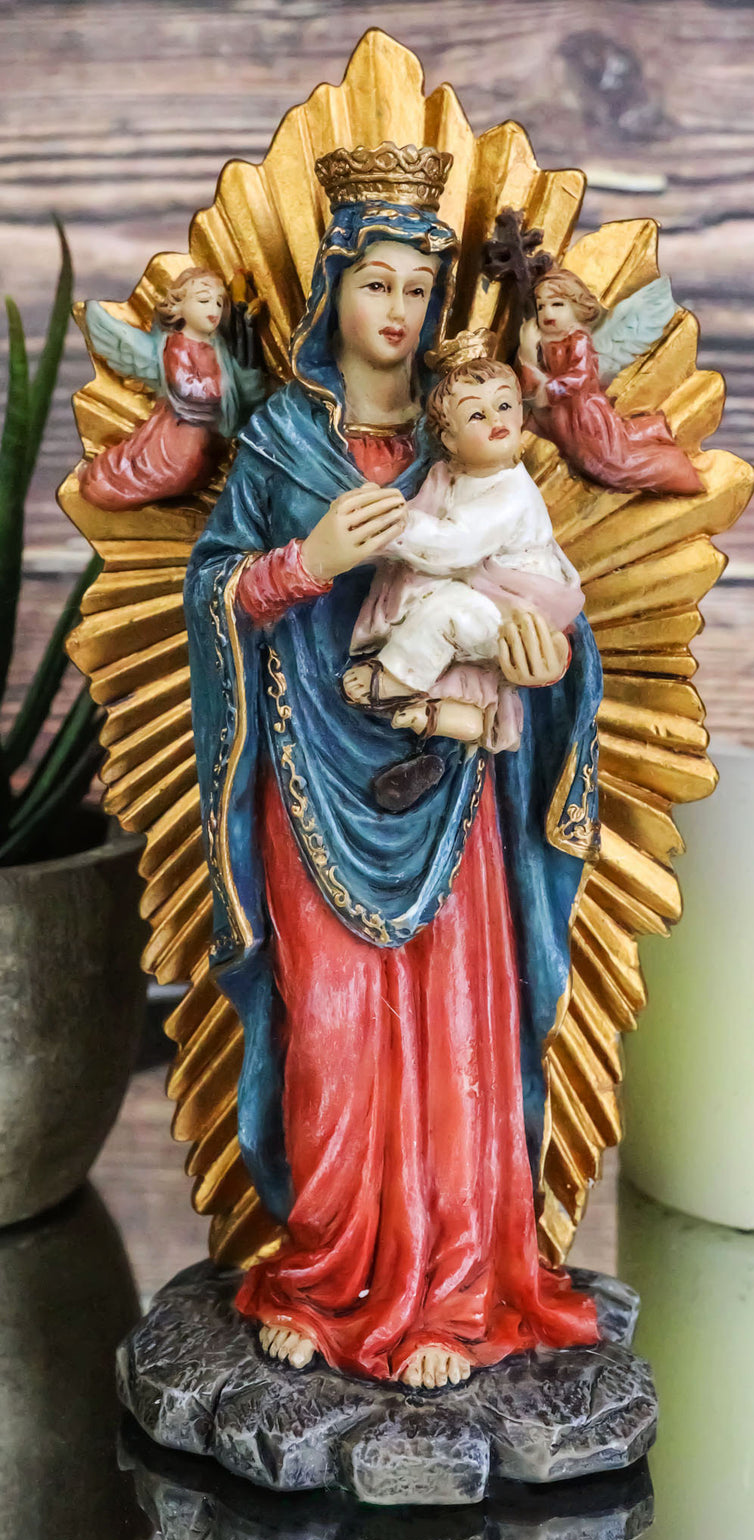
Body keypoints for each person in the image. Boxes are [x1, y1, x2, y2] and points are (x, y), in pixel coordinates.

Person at [184, 147, 602, 1389]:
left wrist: (543, 652)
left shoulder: (466, 443)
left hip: (449, 782)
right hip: (308, 772)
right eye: (376, 282)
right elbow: (211, 595)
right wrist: (304, 561)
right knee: (331, 1031)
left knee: (458, 1029)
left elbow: (544, 589)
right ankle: (326, 1272)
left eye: (420, 288)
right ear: (333, 288)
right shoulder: (278, 440)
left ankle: (455, 1288)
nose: (399, 310)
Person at [343, 334, 584, 754]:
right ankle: (453, 716)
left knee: (447, 612)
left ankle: (395, 679)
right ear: (451, 441)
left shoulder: (509, 491)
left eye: (504, 405)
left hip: (515, 616)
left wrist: (394, 526)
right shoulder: (452, 477)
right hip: (490, 598)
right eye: (476, 414)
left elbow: (453, 546)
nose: (495, 418)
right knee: (438, 605)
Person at [79, 268, 264, 510]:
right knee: (153, 474)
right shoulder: (175, 347)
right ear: (179, 306)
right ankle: (107, 484)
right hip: (177, 442)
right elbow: (194, 391)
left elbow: (248, 388)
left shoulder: (219, 346)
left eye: (220, 302)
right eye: (204, 300)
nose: (214, 309)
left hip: (204, 445)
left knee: (187, 470)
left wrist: (244, 327)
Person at [518, 268, 704, 495]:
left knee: (611, 467)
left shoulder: (578, 341)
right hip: (560, 417)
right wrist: (528, 350)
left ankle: (677, 470)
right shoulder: (545, 341)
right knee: (586, 460)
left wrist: (549, 389)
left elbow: (581, 377)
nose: (547, 312)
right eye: (541, 306)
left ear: (576, 307)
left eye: (557, 304)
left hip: (583, 417)